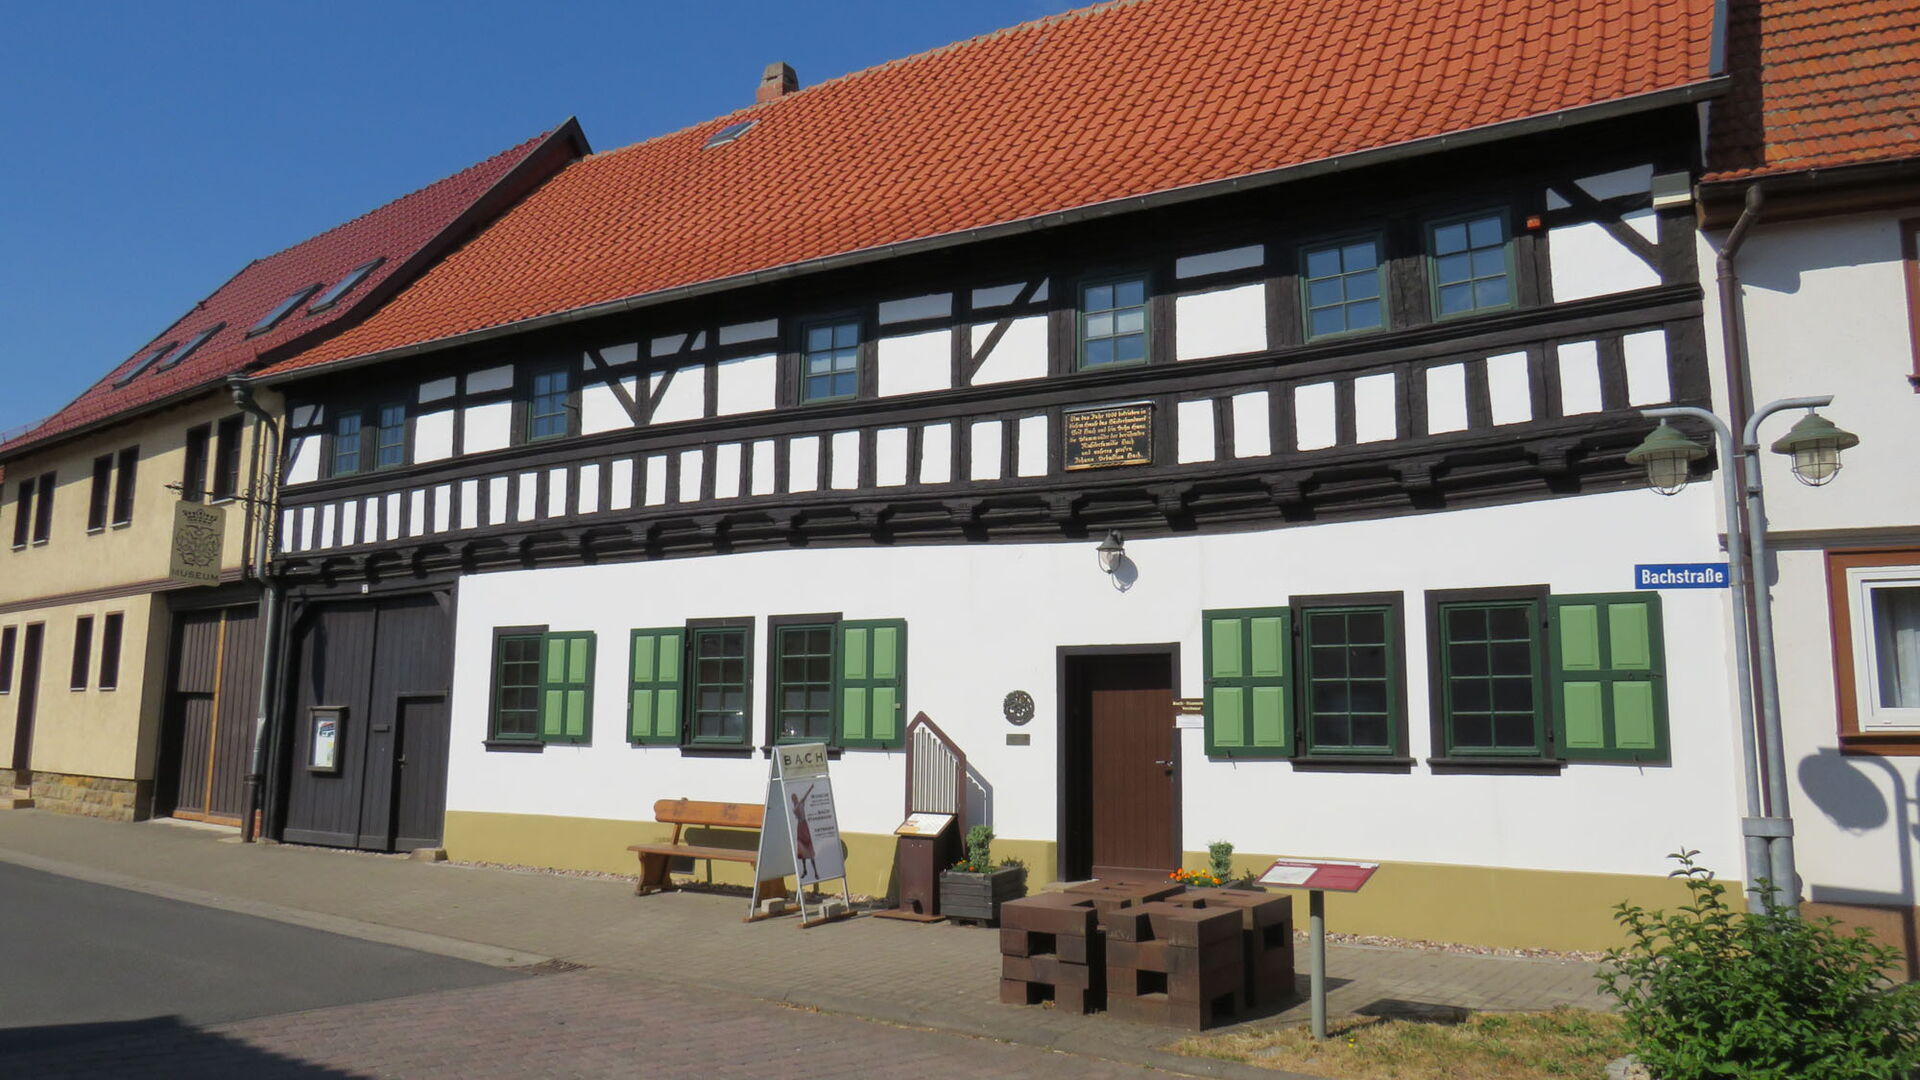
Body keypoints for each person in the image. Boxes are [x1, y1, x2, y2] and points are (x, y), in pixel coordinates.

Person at [790, 786, 817, 881]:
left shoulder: (799, 805)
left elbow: (805, 795)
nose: (795, 799)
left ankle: (815, 872)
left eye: (795, 798)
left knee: (808, 848)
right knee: (803, 849)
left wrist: (811, 788)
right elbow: (804, 798)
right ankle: (805, 870)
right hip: (801, 826)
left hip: (803, 826)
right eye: (794, 799)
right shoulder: (795, 807)